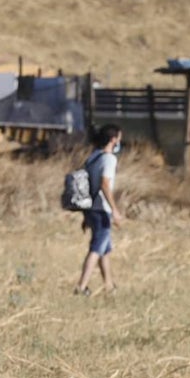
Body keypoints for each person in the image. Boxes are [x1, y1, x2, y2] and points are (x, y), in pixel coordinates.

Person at [75, 124, 125, 296]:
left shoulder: (93, 157)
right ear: (113, 139)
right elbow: (105, 184)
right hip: (101, 209)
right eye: (119, 138)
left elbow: (86, 185)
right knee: (96, 249)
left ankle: (109, 286)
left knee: (105, 249)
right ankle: (81, 287)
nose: (120, 141)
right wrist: (115, 210)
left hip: (90, 208)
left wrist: (84, 215)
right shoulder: (109, 159)